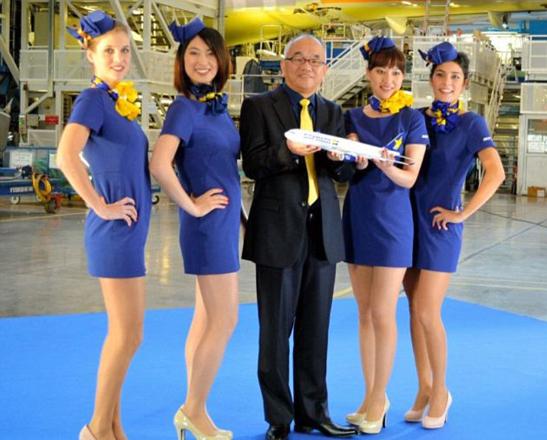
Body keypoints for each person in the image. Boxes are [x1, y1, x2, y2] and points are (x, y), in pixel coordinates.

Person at [240, 34, 357, 440]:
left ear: (324, 70)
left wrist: (341, 161)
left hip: (322, 232)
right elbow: (253, 164)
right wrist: (291, 151)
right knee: (275, 333)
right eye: (299, 59)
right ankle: (279, 418)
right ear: (285, 65)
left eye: (315, 61)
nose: (308, 66)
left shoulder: (333, 111)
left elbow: (341, 174)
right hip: (278, 232)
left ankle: (314, 412)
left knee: (315, 329)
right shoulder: (258, 106)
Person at [57, 11, 151, 440]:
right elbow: (66, 156)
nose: (118, 58)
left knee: (128, 334)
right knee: (127, 334)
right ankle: (96, 429)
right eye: (109, 51)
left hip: (130, 232)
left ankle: (114, 427)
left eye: (124, 50)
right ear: (90, 55)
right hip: (114, 232)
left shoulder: (117, 101)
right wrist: (99, 205)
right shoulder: (92, 100)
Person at [403, 41, 505, 429]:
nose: (447, 82)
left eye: (455, 77)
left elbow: (496, 172)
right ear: (431, 79)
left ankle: (442, 391)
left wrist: (463, 213)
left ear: (464, 84)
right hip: (408, 223)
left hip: (441, 227)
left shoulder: (472, 123)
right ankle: (424, 387)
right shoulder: (414, 117)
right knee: (413, 311)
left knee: (427, 311)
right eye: (441, 75)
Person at [149, 17, 239, 440]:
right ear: (181, 61)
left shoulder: (214, 107)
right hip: (207, 225)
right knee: (225, 319)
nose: (202, 61)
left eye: (209, 53)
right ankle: (194, 411)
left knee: (205, 318)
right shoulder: (184, 107)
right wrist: (191, 204)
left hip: (224, 222)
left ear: (222, 60)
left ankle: (193, 405)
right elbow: (159, 163)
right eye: (193, 53)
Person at [342, 36, 428, 435]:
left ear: (402, 77)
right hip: (358, 217)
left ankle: (380, 397)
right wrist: (356, 159)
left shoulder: (412, 119)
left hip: (394, 221)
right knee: (363, 313)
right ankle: (369, 396)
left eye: (395, 72)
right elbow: (347, 169)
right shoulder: (351, 118)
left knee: (382, 311)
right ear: (368, 73)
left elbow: (409, 177)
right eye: (380, 71)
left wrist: (382, 163)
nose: (387, 80)